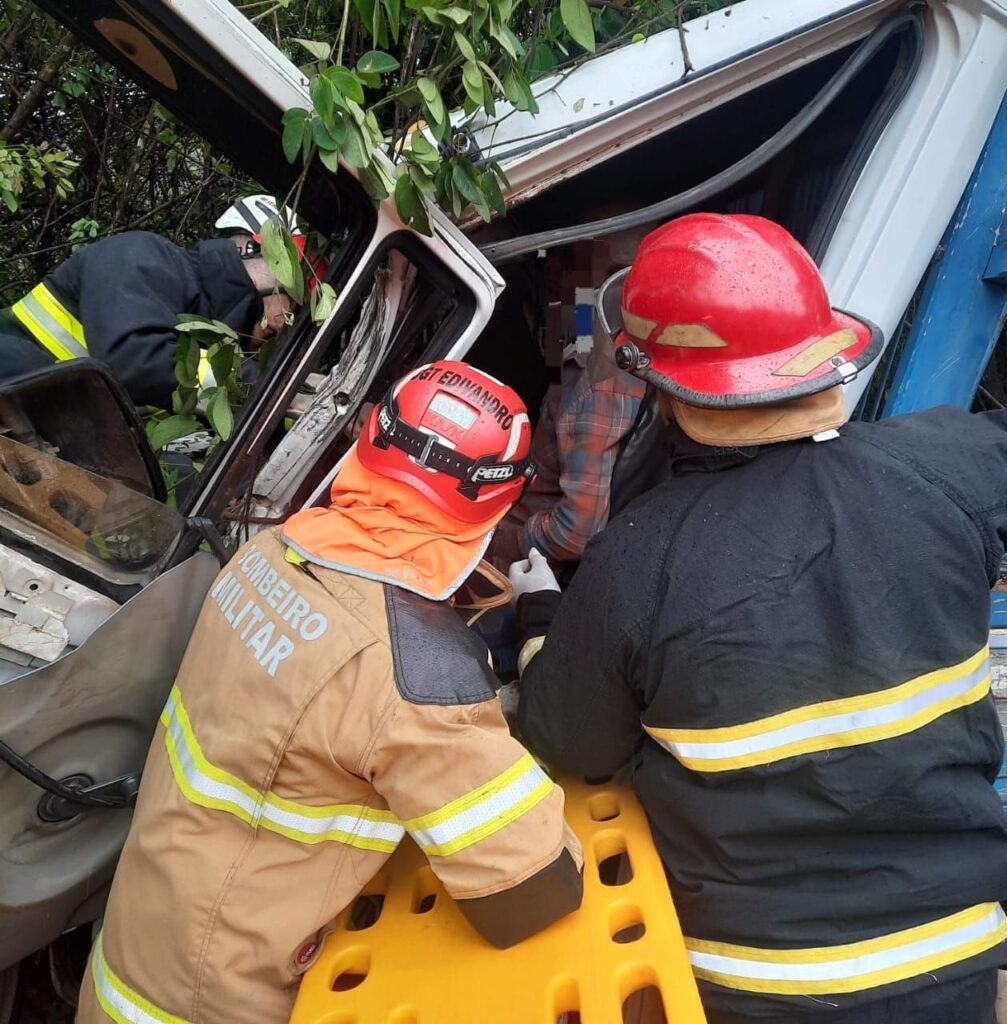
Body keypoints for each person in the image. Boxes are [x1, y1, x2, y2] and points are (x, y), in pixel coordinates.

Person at [511, 213, 1007, 1024]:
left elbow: (571, 746)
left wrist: (540, 617)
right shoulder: (944, 471)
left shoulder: (637, 562)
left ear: (659, 383)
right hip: (953, 964)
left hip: (754, 988)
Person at [76, 360, 583, 1024]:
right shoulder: (414, 679)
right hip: (219, 1003)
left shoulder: (264, 556)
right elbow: (534, 892)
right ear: (498, 502)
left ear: (368, 441)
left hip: (127, 965)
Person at [0, 230, 293, 408]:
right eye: (288, 316)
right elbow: (138, 362)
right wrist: (263, 387)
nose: (264, 347)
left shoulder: (197, 325)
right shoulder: (144, 256)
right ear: (273, 284)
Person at [487, 277, 648, 574]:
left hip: (526, 564)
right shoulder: (592, 327)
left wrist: (500, 542)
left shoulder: (600, 389)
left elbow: (574, 534)